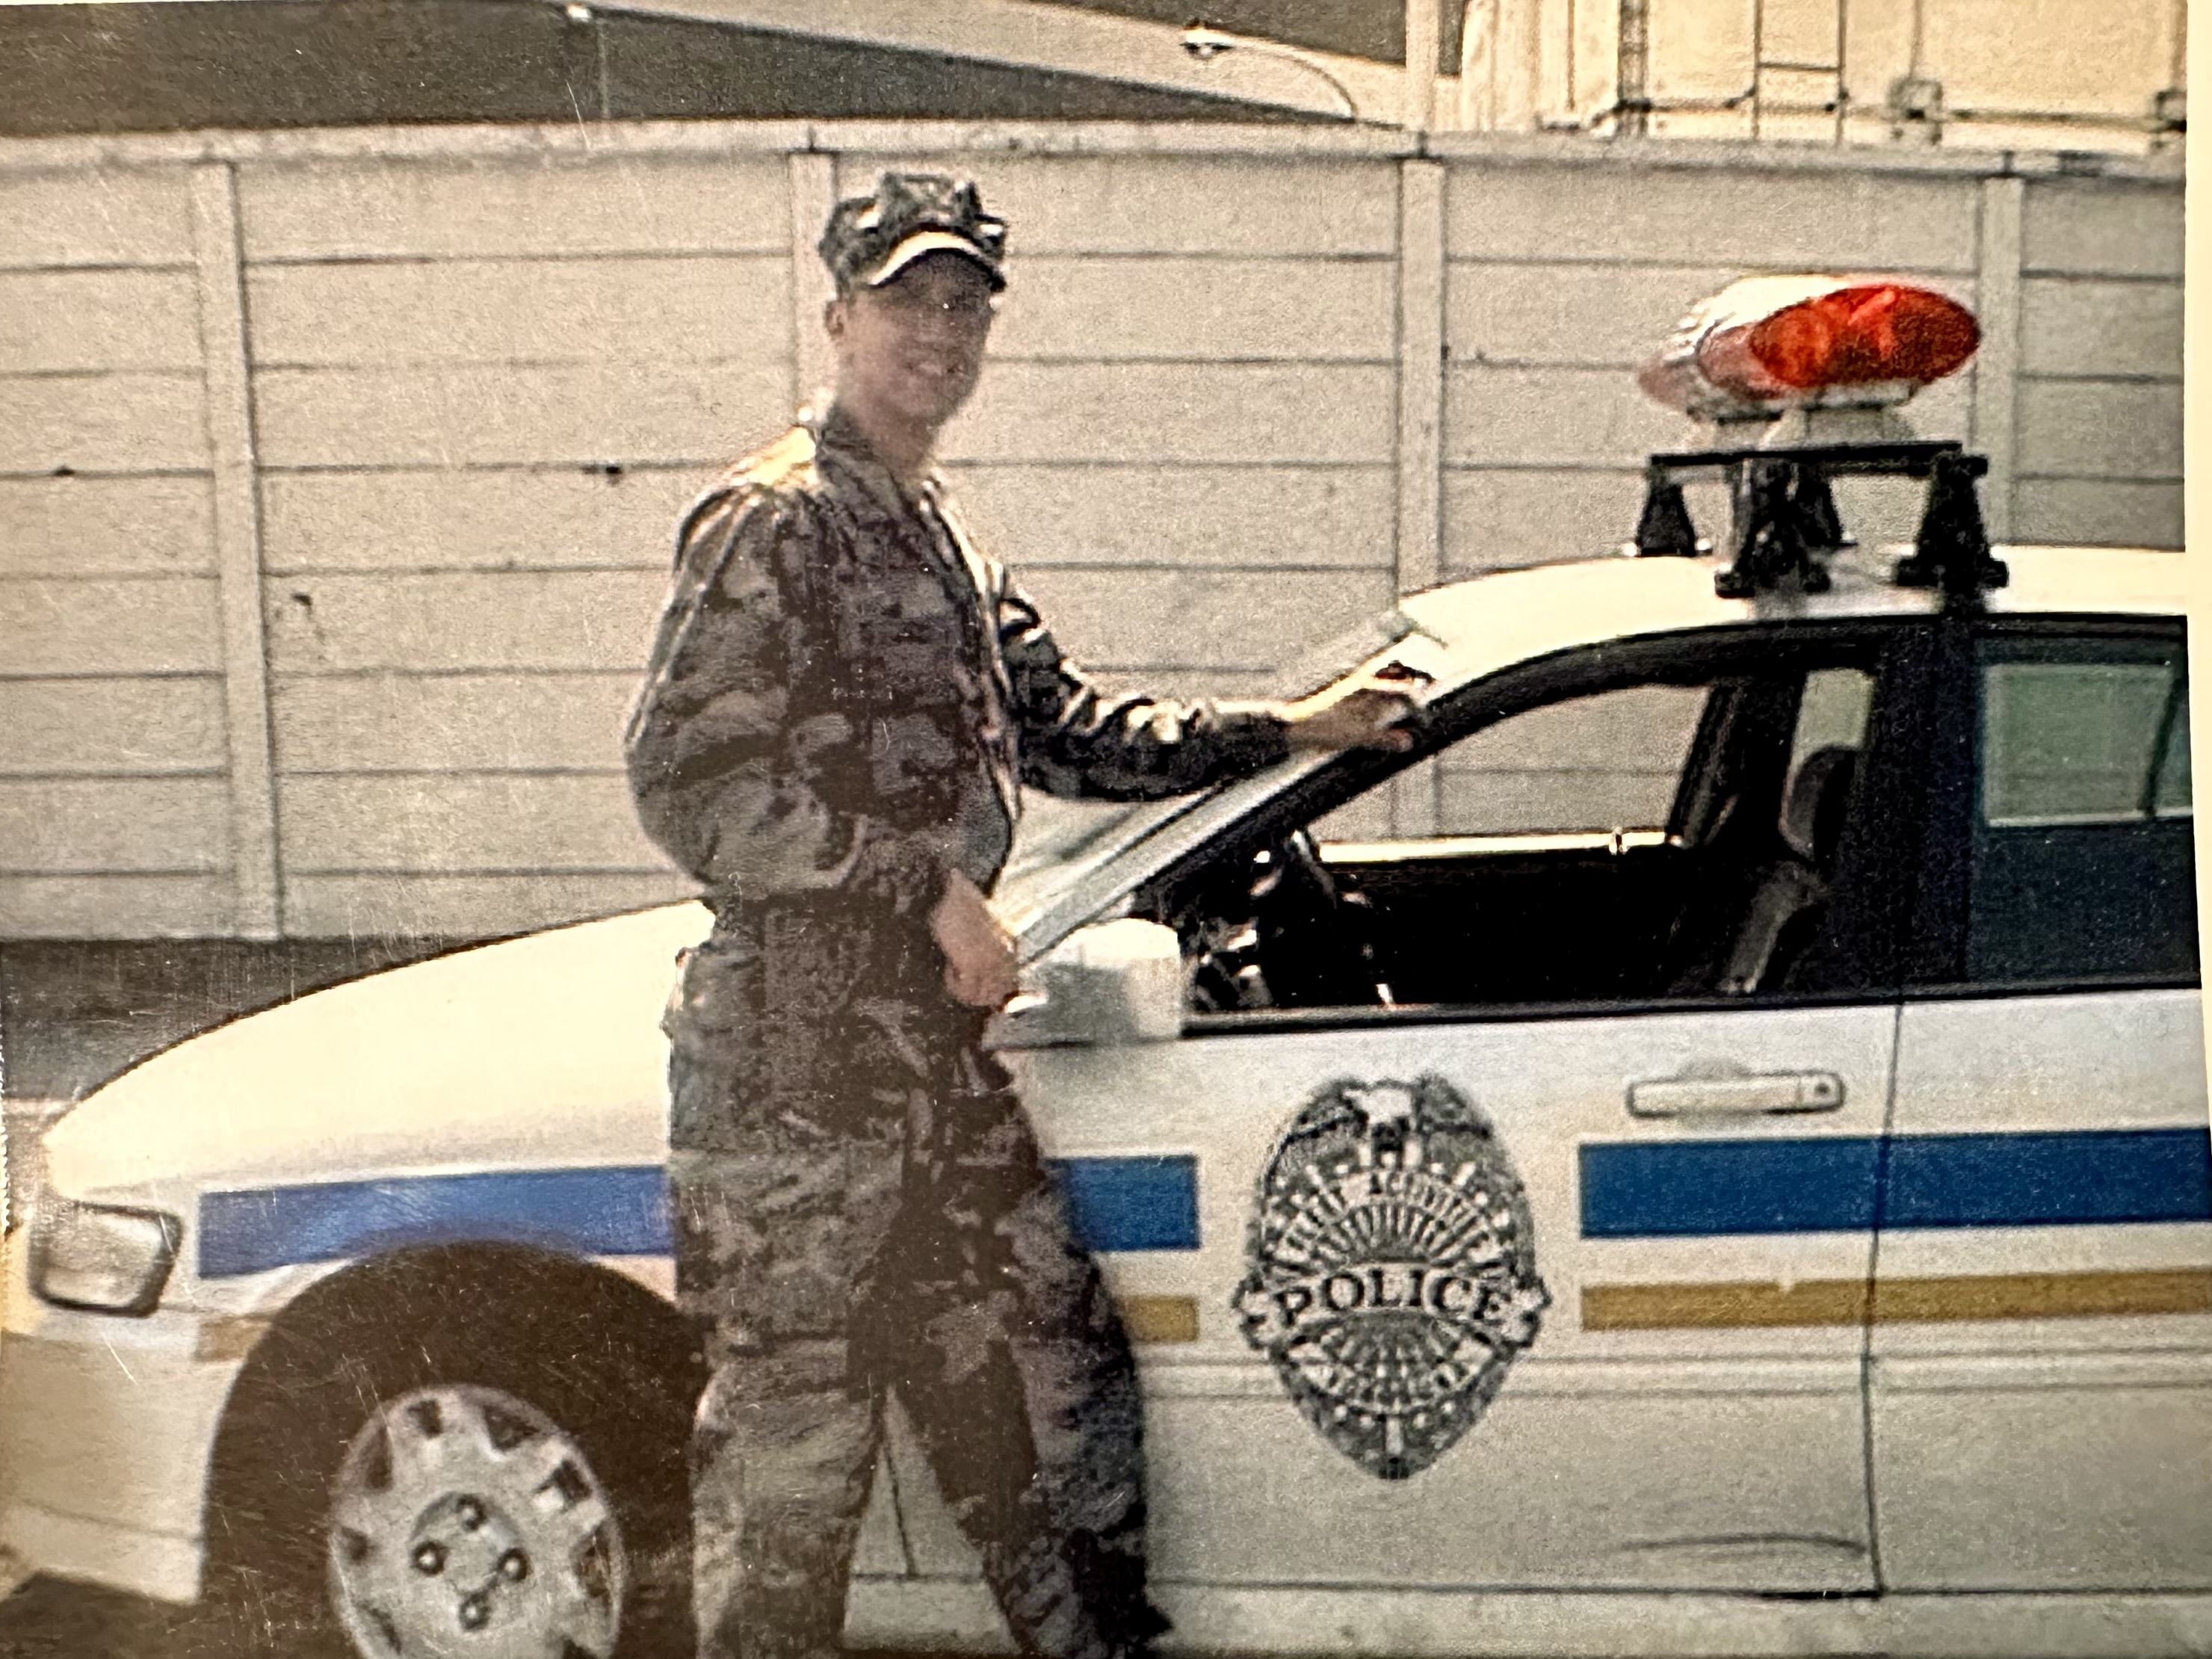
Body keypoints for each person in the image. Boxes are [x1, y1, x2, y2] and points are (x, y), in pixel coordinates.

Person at [624, 170, 1413, 1659]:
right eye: (906, 302)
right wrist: (921, 885)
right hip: (793, 1084)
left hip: (928, 1067)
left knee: (1055, 1396)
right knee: (794, 1482)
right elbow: (688, 781)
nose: (938, 332)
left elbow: (1071, 728)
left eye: (963, 305)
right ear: (838, 317)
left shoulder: (939, 535)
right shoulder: (774, 519)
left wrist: (1293, 728)